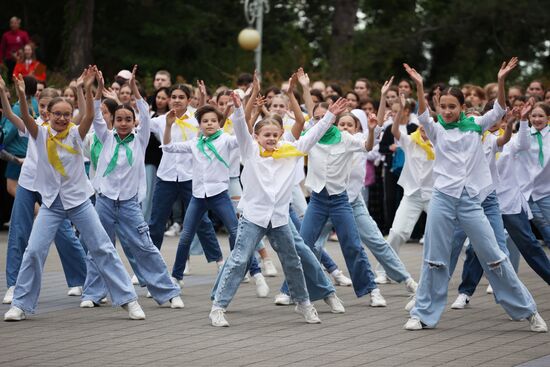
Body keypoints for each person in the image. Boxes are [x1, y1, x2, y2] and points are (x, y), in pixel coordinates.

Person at [402, 58, 547, 332]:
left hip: (471, 200)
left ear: (462, 108)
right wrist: (419, 86)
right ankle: (422, 314)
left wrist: (501, 80)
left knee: (494, 255)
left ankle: (528, 311)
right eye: (442, 107)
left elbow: (501, 109)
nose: (446, 111)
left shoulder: (477, 125)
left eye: (451, 107)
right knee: (434, 257)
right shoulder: (435, 129)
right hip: (443, 198)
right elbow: (422, 113)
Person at [4, 68, 145, 321]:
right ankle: (20, 304)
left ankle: (128, 299)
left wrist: (85, 89)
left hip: (80, 202)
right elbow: (24, 116)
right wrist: (22, 96)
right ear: (48, 114)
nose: (61, 118)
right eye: (56, 114)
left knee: (103, 247)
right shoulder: (40, 133)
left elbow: (89, 114)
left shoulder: (76, 134)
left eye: (66, 114)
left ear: (71, 116)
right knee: (34, 250)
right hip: (51, 203)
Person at [209, 94, 349, 327]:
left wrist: (331, 116)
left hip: (280, 219)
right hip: (253, 216)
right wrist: (238, 109)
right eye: (266, 135)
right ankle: (218, 307)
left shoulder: (291, 150)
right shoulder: (249, 150)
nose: (271, 138)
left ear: (281, 134)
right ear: (257, 136)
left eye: (275, 134)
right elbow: (241, 129)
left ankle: (303, 303)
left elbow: (312, 136)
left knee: (292, 260)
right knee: (239, 259)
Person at [81, 65, 183, 309]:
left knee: (144, 246)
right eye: (119, 119)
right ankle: (93, 292)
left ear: (134, 120)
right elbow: (95, 115)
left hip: (129, 203)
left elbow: (146, 114)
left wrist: (135, 88)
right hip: (104, 201)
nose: (124, 123)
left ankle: (168, 292)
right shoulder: (105, 137)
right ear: (113, 121)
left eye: (128, 119)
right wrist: (94, 91)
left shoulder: (140, 138)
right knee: (98, 246)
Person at [0, 80, 87, 304]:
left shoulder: (65, 127)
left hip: (52, 187)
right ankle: (14, 285)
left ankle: (84, 280)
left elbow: (83, 117)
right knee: (19, 231)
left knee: (65, 234)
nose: (48, 111)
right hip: (29, 183)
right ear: (41, 107)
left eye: (52, 106)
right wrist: (3, 91)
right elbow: (9, 114)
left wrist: (81, 90)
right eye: (44, 106)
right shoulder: (34, 124)